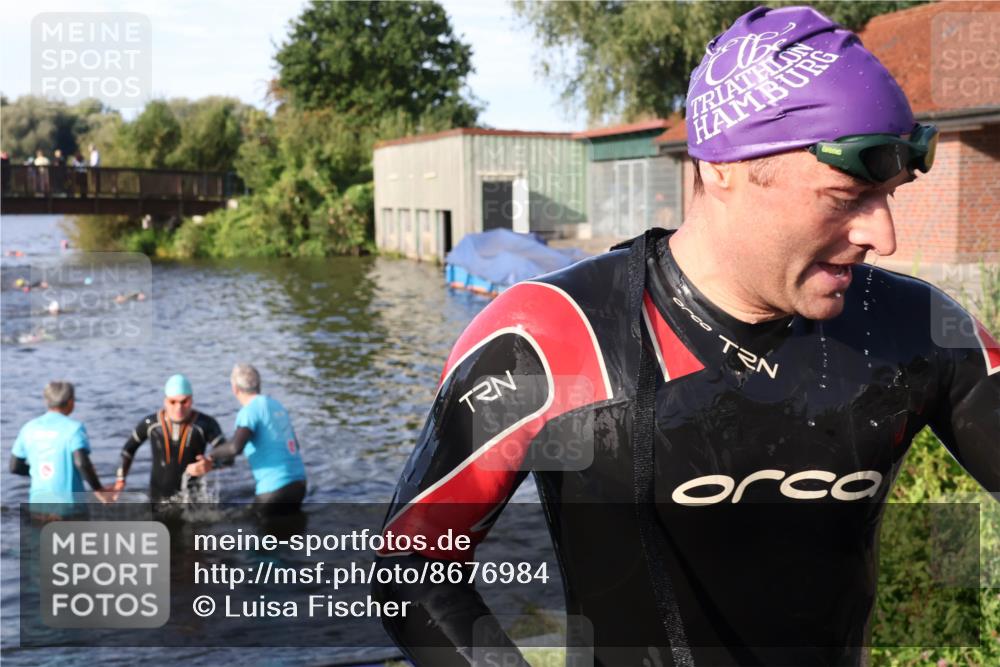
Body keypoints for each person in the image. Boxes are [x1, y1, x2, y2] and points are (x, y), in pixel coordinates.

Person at [371, 6, 999, 666]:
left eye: (891, 195)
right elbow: (410, 565)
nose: (884, 236)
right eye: (846, 197)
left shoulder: (916, 328)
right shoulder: (553, 334)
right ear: (722, 166)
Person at [185, 364, 307, 512]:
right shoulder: (277, 405)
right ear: (259, 384)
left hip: (274, 489)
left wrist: (211, 456)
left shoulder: (249, 411)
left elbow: (235, 447)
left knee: (251, 524)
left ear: (234, 388)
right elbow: (295, 445)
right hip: (299, 485)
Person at [9, 381, 117, 514]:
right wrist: (99, 491)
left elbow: (14, 467)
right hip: (70, 508)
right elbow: (81, 463)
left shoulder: (28, 428)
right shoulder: (74, 428)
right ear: (71, 402)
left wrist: (38, 471)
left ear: (46, 401)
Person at [114, 374, 224, 502]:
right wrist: (120, 480)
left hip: (193, 501)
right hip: (157, 498)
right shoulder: (151, 424)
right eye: (173, 402)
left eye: (184, 402)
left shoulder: (205, 424)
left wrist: (211, 464)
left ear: (191, 400)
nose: (179, 407)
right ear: (165, 401)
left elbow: (229, 455)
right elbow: (128, 450)